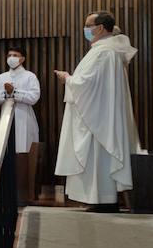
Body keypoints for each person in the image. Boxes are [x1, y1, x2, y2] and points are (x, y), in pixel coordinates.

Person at [55, 11, 141, 212]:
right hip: (101, 113)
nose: (86, 30)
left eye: (88, 25)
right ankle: (100, 199)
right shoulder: (107, 50)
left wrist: (67, 78)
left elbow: (86, 84)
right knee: (100, 157)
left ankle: (102, 200)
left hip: (97, 117)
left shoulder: (103, 52)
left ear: (100, 28)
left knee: (97, 156)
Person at [0, 46, 41, 154]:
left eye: (15, 55)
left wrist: (14, 92)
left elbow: (34, 97)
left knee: (22, 152)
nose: (11, 58)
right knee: (5, 151)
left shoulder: (30, 77)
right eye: (9, 55)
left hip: (23, 117)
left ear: (22, 59)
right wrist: (6, 94)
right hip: (5, 118)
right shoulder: (1, 78)